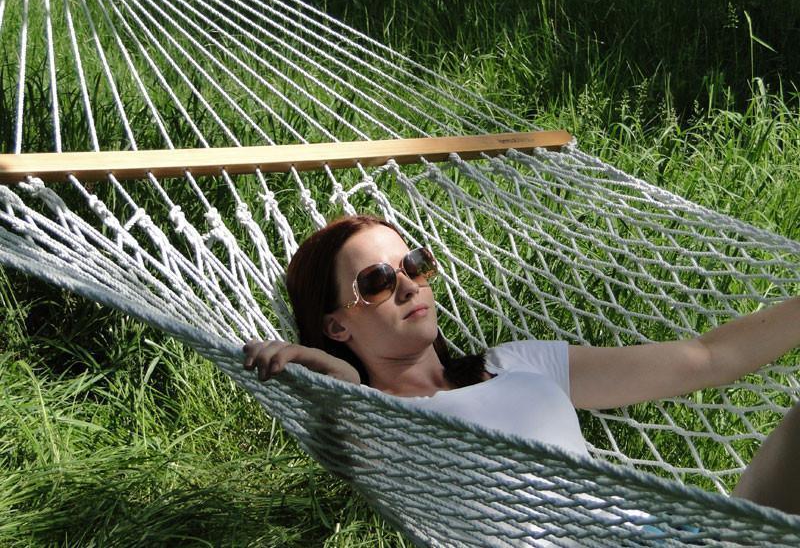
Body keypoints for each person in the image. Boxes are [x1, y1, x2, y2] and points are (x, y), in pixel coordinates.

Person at [243, 214, 800, 516]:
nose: (410, 285)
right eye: (377, 281)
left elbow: (705, 358)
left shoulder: (516, 362)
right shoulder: (376, 421)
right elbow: (348, 439)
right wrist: (343, 387)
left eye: (413, 264)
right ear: (336, 327)